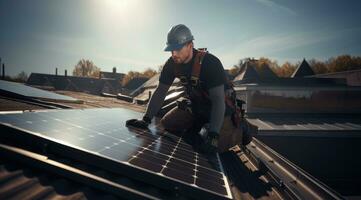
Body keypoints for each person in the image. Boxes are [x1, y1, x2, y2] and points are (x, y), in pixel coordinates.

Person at [126, 24, 254, 153]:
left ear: (190, 46)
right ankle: (200, 124)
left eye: (177, 49)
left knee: (216, 145)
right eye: (171, 50)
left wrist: (214, 135)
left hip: (221, 109)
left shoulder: (210, 63)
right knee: (169, 123)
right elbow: (160, 91)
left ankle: (241, 128)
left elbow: (218, 101)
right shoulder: (171, 64)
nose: (173, 54)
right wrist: (146, 119)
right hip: (197, 107)